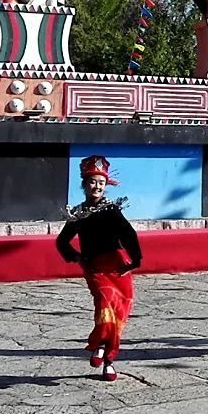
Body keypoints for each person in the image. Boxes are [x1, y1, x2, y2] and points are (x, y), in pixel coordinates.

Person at [56, 155, 142, 381]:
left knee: (119, 313)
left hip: (117, 266)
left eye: (101, 183)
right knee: (105, 303)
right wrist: (76, 257)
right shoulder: (79, 214)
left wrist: (135, 260)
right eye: (93, 182)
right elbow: (62, 241)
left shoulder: (111, 210)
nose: (97, 187)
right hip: (95, 267)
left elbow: (128, 234)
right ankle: (100, 347)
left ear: (106, 186)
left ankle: (108, 360)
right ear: (84, 185)